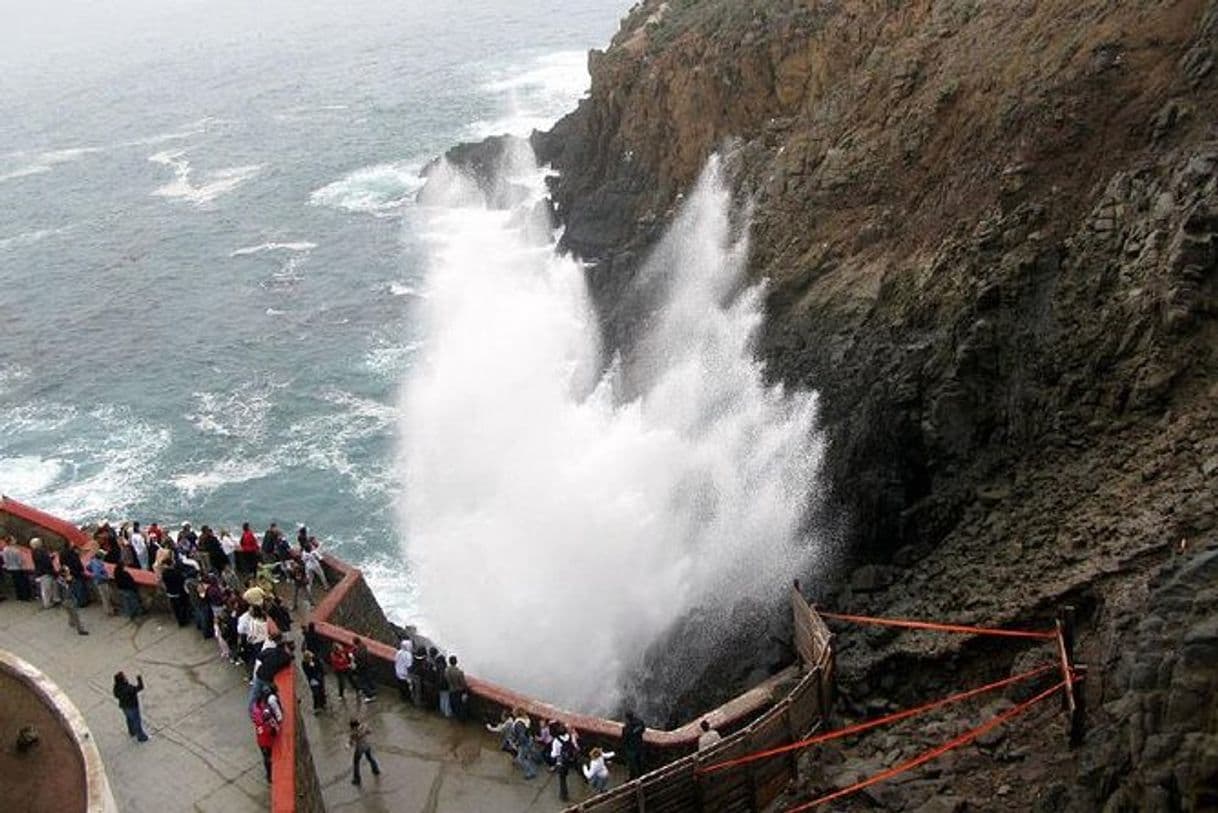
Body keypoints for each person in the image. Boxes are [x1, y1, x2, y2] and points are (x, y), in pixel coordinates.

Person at [251, 686, 282, 781]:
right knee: (268, 758)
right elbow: (268, 728)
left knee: (267, 756)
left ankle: (269, 774)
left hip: (263, 739)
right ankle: (270, 775)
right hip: (265, 741)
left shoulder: (257, 708)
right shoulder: (260, 713)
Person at [113, 672, 148, 741]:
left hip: (124, 707)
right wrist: (139, 679)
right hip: (132, 707)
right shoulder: (128, 688)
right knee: (136, 721)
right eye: (125, 677)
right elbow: (140, 687)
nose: (126, 677)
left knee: (129, 720)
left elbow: (116, 695)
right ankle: (141, 737)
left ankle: (132, 732)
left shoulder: (116, 688)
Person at [550, 723, 579, 802]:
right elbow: (575, 746)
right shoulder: (570, 736)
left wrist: (553, 759)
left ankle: (564, 796)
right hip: (571, 757)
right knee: (578, 767)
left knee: (562, 779)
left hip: (562, 761)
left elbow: (554, 753)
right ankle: (585, 778)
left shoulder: (556, 741)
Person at [348, 719, 381, 786]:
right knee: (370, 758)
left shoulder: (354, 733)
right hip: (367, 745)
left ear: (354, 726)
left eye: (351, 727)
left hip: (359, 748)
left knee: (356, 763)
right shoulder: (364, 726)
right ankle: (376, 770)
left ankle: (357, 779)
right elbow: (370, 731)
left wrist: (347, 745)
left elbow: (351, 742)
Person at [57, 568, 88, 635]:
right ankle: (80, 630)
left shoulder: (59, 580)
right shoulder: (66, 581)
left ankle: (71, 623)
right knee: (75, 615)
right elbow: (69, 587)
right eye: (67, 571)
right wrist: (70, 581)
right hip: (68, 599)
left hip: (64, 600)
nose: (69, 572)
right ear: (63, 573)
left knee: (70, 613)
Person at [161, 561, 190, 626]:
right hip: (178, 592)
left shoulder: (164, 573)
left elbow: (164, 583)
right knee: (182, 607)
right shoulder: (176, 572)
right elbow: (182, 580)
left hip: (170, 593)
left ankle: (180, 621)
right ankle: (184, 620)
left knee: (175, 608)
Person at [3, 536, 32, 601]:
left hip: (11, 568)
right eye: (13, 539)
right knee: (22, 582)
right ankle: (25, 597)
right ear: (10, 542)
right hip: (18, 567)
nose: (15, 540)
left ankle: (19, 596)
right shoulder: (16, 550)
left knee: (16, 583)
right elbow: (19, 561)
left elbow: (5, 560)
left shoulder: (5, 549)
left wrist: (8, 565)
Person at [31, 538, 56, 608]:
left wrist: (51, 558)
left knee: (47, 588)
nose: (41, 543)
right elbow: (45, 562)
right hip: (45, 572)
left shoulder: (35, 552)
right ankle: (47, 604)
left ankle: (49, 602)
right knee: (46, 589)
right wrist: (50, 559)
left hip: (42, 572)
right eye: (39, 542)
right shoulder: (39, 551)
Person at [350, 637, 376, 703]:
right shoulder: (363, 647)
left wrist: (353, 658)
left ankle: (370, 696)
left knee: (361, 683)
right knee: (368, 679)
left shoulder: (358, 651)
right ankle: (373, 691)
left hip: (362, 668)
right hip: (368, 667)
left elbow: (359, 661)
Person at [622, 710, 646, 779]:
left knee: (632, 764)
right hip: (639, 746)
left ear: (627, 718)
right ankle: (641, 776)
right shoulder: (640, 723)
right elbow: (643, 729)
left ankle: (632, 777)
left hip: (631, 749)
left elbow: (624, 740)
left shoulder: (626, 728)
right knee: (640, 763)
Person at [445, 655, 468, 720]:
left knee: (453, 705)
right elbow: (463, 683)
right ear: (456, 662)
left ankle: (455, 717)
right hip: (458, 691)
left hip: (451, 689)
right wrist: (465, 692)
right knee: (460, 706)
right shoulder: (459, 672)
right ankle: (461, 719)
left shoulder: (446, 670)